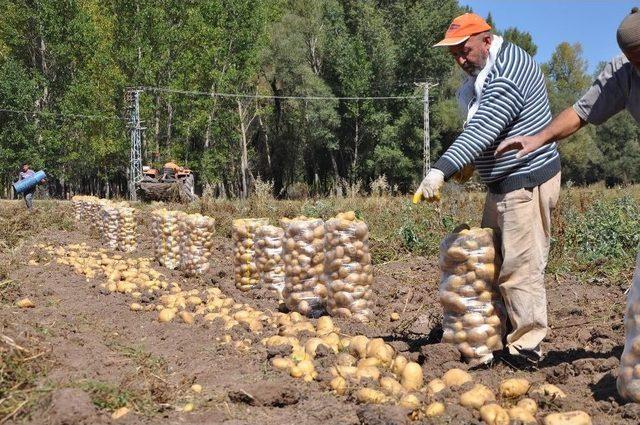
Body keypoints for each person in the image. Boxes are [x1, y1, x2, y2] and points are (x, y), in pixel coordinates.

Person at [415, 13, 561, 363]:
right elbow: (485, 130)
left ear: (485, 38)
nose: (461, 60)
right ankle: (493, 334)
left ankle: (527, 347)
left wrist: (440, 171)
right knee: (490, 262)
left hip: (526, 180)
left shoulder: (506, 72)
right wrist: (471, 162)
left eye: (464, 50)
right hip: (502, 182)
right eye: (454, 55)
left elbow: (482, 128)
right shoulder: (485, 71)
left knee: (520, 267)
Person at [495, 7, 640, 158]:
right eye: (635, 60)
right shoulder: (621, 73)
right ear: (627, 57)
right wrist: (538, 138)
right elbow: (580, 113)